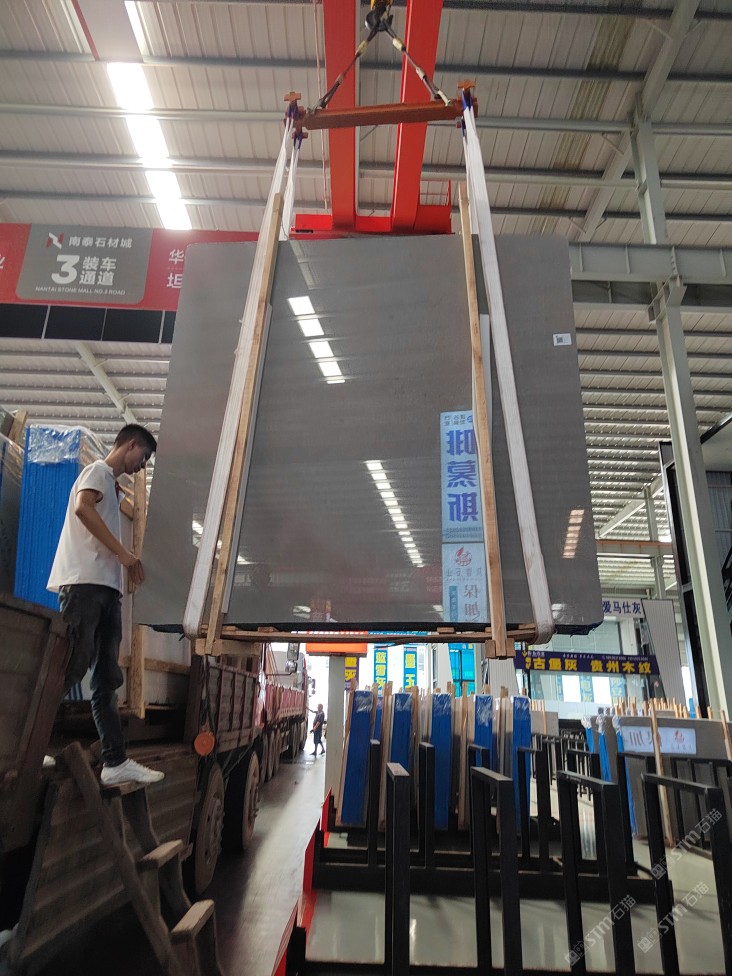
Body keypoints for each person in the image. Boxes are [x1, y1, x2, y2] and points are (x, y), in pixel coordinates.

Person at [47, 423, 164, 786]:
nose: (142, 466)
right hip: (85, 587)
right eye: (143, 457)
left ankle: (114, 761)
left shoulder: (111, 486)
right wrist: (123, 554)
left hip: (106, 592)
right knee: (72, 666)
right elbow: (83, 509)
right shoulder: (97, 471)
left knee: (106, 679)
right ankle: (29, 743)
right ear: (131, 444)